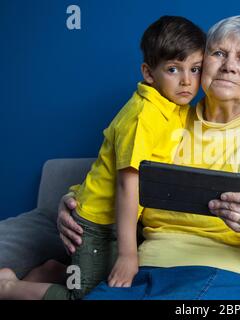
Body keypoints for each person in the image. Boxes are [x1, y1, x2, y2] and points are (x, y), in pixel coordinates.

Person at [56, 15, 240, 300]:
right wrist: (74, 200)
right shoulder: (167, 117)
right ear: (203, 64)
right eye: (219, 53)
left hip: (234, 271)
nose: (228, 66)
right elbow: (119, 171)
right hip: (148, 268)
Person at [0, 15, 206, 300]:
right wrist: (127, 254)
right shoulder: (143, 117)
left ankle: (51, 271)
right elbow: (126, 185)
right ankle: (8, 286)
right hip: (97, 222)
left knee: (102, 281)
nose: (187, 81)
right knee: (85, 296)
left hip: (118, 221)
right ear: (149, 73)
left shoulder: (175, 106)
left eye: (195, 69)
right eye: (173, 69)